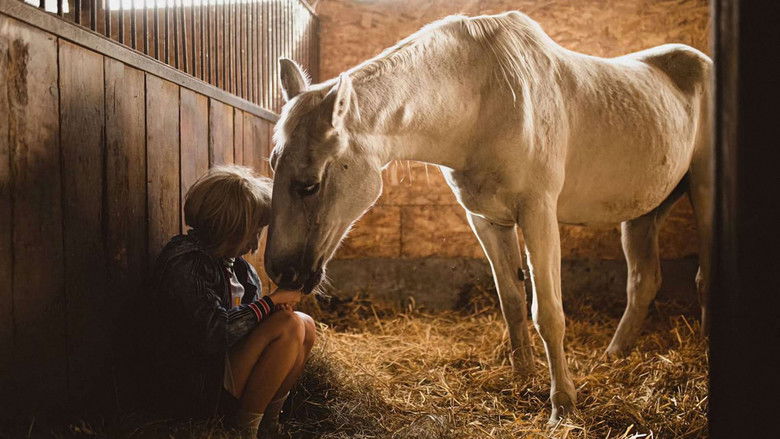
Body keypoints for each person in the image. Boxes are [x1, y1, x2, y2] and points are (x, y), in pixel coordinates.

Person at [141, 165, 316, 438]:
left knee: (304, 323)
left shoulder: (240, 269)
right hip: (191, 386)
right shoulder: (186, 264)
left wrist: (269, 313)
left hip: (225, 373)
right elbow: (215, 334)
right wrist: (269, 305)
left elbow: (248, 326)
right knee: (288, 326)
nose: (256, 244)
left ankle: (270, 426)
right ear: (229, 229)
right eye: (253, 231)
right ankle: (243, 432)